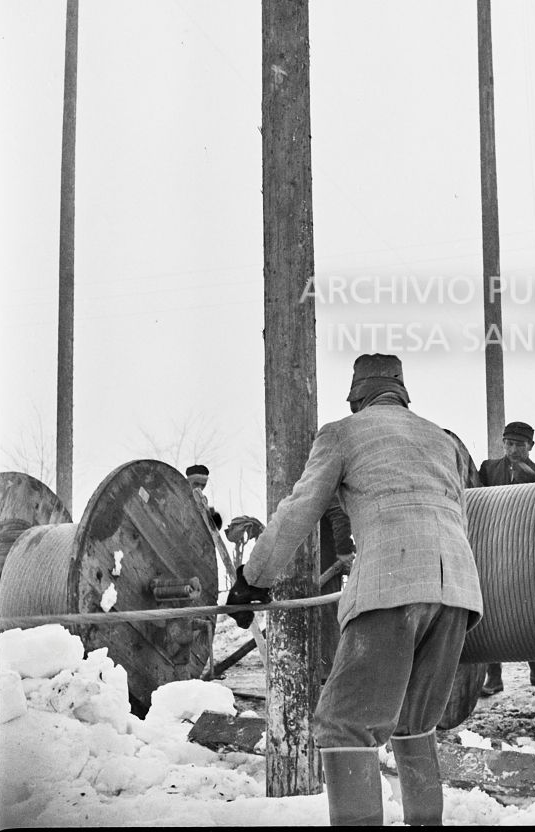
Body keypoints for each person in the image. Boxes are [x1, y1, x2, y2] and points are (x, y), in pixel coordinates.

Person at [225, 354, 483, 826]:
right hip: (458, 593)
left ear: (356, 398)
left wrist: (252, 579)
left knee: (344, 724)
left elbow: (299, 509)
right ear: (402, 394)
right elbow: (460, 515)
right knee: (415, 723)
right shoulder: (443, 440)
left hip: (391, 587)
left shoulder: (342, 433)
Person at [477, 421, 535, 696]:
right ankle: (494, 677)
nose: (512, 450)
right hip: (493, 549)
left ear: (531, 446)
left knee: (529, 611)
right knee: (490, 613)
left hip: (526, 550)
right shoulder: (488, 469)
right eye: (508, 444)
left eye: (519, 445)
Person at [186, 463, 222, 530]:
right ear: (188, 481)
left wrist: (212, 516)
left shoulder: (203, 499)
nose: (200, 488)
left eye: (203, 485)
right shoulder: (177, 494)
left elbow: (213, 529)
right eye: (196, 484)